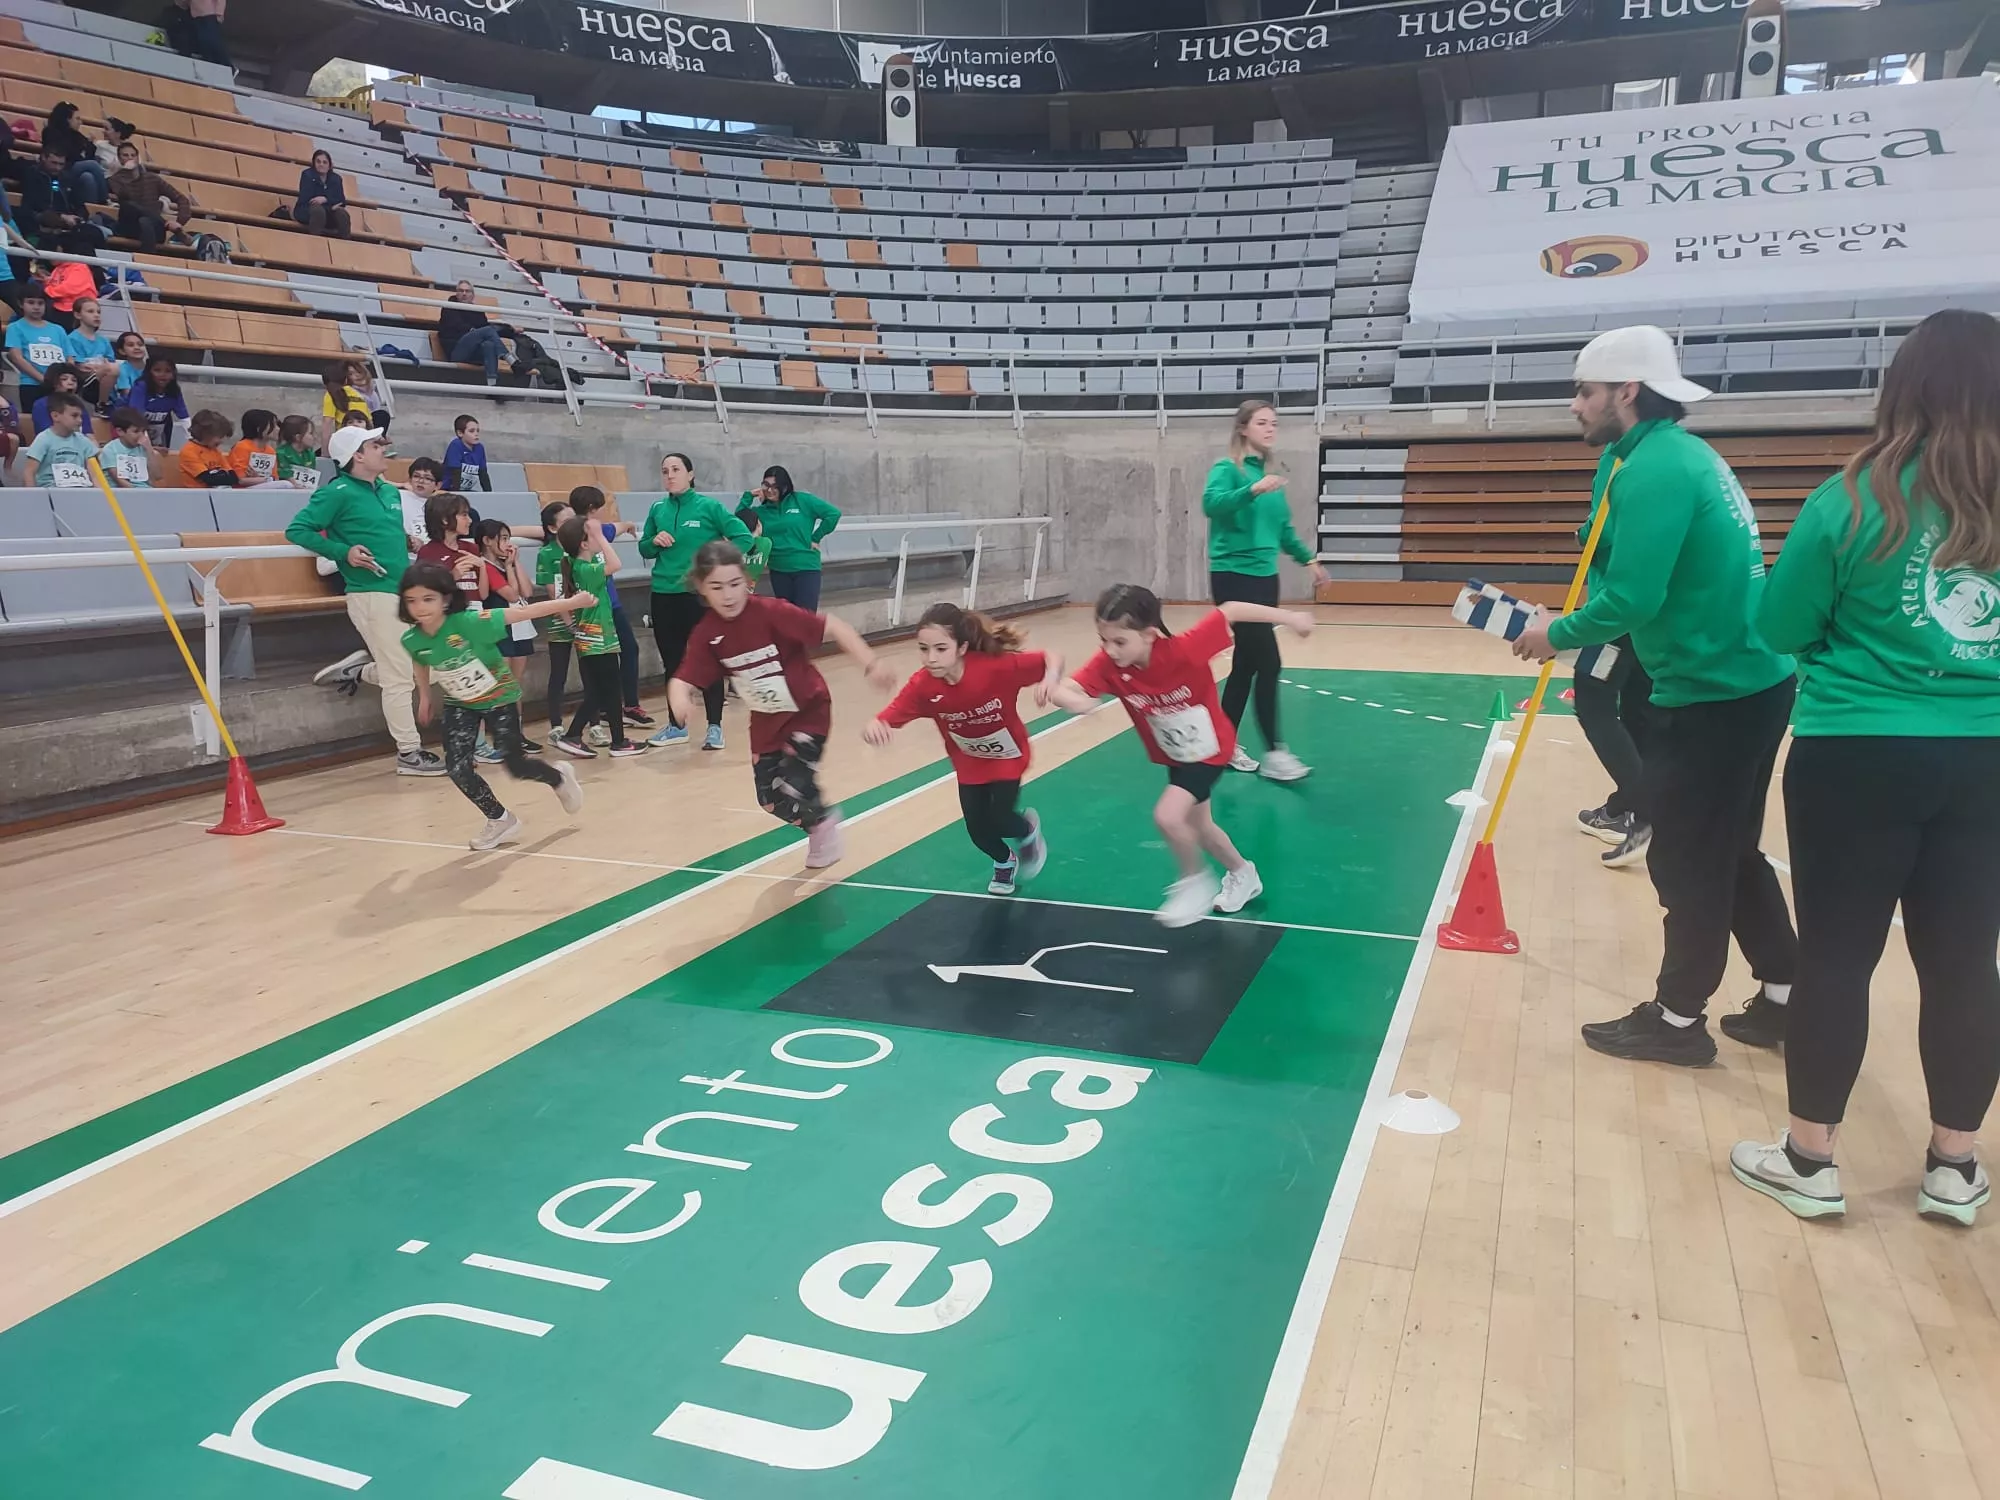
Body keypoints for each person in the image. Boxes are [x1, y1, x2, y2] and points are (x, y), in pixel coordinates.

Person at [1726, 310, 2000, 1226]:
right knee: (1966, 962)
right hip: (1986, 757)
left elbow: (1778, 627)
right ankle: (1955, 1170)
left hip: (1857, 752)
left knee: (1839, 956)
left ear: (1903, 387)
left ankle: (1811, 1161)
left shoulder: (1851, 497)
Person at [1512, 325, 1797, 1066]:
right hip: (1744, 681)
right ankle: (1786, 997)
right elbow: (1609, 546)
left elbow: (1633, 598)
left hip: (1718, 691)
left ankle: (1676, 1023)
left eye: (1585, 391)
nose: (1575, 405)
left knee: (1686, 858)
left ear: (1627, 392)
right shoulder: (1647, 455)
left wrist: (1558, 633)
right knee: (1728, 849)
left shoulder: (1657, 469)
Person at [1049, 585, 1312, 926]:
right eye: (1103, 640)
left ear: (1150, 634)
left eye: (1119, 642)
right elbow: (1067, 689)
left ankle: (1193, 883)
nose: (1109, 650)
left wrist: (1291, 617)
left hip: (1211, 748)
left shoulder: (1185, 650)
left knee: (1168, 816)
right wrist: (1068, 697)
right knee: (1200, 826)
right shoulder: (1111, 665)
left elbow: (1230, 608)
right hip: (1177, 755)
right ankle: (1243, 874)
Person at [673, 539, 896, 869]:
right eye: (716, 587)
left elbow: (833, 626)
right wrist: (680, 697)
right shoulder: (707, 634)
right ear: (701, 588)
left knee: (794, 779)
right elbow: (683, 677)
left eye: (735, 584)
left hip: (808, 711)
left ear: (747, 580)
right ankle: (818, 825)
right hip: (766, 725)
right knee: (769, 798)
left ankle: (823, 821)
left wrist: (871, 663)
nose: (728, 595)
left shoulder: (771, 612)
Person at [865, 603, 1061, 894]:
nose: (931, 658)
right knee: (978, 832)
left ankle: (1027, 831)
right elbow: (891, 714)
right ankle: (1005, 861)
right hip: (969, 763)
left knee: (1000, 818)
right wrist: (877, 725)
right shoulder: (923, 686)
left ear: (962, 647)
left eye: (941, 649)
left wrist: (1050, 679)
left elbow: (1050, 658)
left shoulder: (995, 667)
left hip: (1007, 756)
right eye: (923, 649)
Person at [288, 426, 445, 777]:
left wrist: (406, 541)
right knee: (401, 677)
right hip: (370, 593)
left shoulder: (388, 491)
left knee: (428, 667)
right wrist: (344, 552)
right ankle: (409, 752)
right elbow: (298, 530)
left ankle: (358, 671)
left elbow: (381, 530)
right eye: (375, 445)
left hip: (403, 589)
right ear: (357, 456)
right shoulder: (337, 492)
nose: (383, 449)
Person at [401, 559, 585, 849]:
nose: (419, 607)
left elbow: (525, 612)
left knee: (515, 766)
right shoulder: (412, 638)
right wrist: (424, 695)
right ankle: (500, 819)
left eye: (428, 599)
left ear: (445, 599)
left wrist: (571, 601)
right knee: (457, 768)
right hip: (459, 704)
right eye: (411, 601)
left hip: (499, 699)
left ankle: (558, 777)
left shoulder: (469, 623)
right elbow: (420, 660)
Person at [1202, 400, 1325, 782]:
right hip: (1233, 576)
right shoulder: (1228, 470)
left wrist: (1309, 560)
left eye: (1274, 423)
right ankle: (1275, 752)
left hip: (1264, 578)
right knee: (1269, 662)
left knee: (1246, 665)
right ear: (1244, 428)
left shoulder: (1271, 477)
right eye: (1262, 422)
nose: (1271, 429)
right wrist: (1251, 490)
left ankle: (1219, 746)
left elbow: (1282, 528)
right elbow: (1212, 504)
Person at [640, 451, 753, 750]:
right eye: (664, 470)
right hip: (663, 593)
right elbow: (644, 548)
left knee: (707, 660)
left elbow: (743, 537)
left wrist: (716, 570)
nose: (669, 475)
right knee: (673, 662)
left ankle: (715, 726)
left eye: (676, 469)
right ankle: (676, 726)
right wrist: (653, 541)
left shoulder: (709, 506)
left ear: (690, 474)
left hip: (697, 597)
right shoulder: (657, 509)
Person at [548, 516, 644, 760]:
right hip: (597, 640)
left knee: (609, 691)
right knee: (602, 692)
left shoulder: (576, 564)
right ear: (583, 543)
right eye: (591, 536)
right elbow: (616, 563)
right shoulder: (587, 570)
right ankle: (573, 734)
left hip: (599, 639)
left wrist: (596, 533)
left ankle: (619, 740)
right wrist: (601, 535)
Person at [568, 485, 651, 730]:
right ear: (593, 509)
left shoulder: (599, 529)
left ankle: (625, 708)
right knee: (604, 670)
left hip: (609, 606)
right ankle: (598, 718)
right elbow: (614, 562)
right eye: (602, 507)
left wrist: (626, 525)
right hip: (593, 611)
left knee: (628, 650)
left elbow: (616, 527)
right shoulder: (578, 536)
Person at [735, 466, 840, 611]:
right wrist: (748, 496)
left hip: (806, 568)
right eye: (766, 485)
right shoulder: (761, 512)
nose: (770, 490)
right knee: (787, 618)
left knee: (806, 618)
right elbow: (740, 522)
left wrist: (816, 537)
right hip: (779, 570)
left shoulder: (802, 500)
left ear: (784, 486)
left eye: (775, 486)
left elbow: (833, 514)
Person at [19, 144, 108, 256]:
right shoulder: (32, 175)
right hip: (41, 222)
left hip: (68, 225)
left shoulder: (66, 178)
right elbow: (35, 206)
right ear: (43, 158)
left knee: (94, 233)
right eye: (54, 163)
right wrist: (61, 216)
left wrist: (79, 217)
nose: (57, 168)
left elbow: (79, 204)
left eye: (61, 164)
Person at [107, 139, 193, 253]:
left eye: (133, 155)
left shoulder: (152, 179)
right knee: (128, 205)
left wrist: (179, 222)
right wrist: (126, 173)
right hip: (129, 225)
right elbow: (123, 195)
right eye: (125, 155)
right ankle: (168, 226)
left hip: (154, 227)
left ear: (138, 158)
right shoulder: (115, 179)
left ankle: (148, 262)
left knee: (145, 221)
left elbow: (181, 199)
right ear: (119, 158)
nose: (129, 158)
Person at [437, 280, 516, 387]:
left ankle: (492, 387)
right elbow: (459, 326)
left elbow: (488, 329)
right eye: (461, 291)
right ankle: (510, 359)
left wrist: (512, 330)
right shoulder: (449, 307)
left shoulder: (477, 311)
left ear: (473, 295)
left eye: (467, 291)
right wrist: (476, 333)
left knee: (489, 345)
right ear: (456, 293)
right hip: (457, 351)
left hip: (475, 353)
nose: (464, 294)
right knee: (487, 330)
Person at [5, 286, 70, 408]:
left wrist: (62, 381)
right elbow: (16, 357)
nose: (36, 307)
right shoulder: (15, 328)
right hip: (31, 384)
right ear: (20, 304)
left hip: (59, 386)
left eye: (40, 303)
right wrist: (44, 380)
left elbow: (69, 357)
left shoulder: (58, 329)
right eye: (31, 302)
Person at [20, 390, 97, 487]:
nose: (80, 420)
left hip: (81, 492)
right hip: (50, 493)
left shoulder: (84, 441)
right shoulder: (43, 439)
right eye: (74, 416)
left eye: (80, 416)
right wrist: (33, 499)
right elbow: (29, 473)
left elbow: (95, 475)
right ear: (55, 416)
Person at [39, 103, 106, 205]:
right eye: (77, 118)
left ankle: (92, 212)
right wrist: (83, 149)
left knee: (88, 177)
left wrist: (89, 145)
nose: (80, 122)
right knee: (92, 165)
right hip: (61, 169)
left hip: (75, 171)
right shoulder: (51, 132)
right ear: (67, 119)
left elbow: (88, 153)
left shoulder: (77, 135)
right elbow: (66, 153)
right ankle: (105, 201)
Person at [63, 297, 117, 406]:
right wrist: (101, 367)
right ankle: (102, 404)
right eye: (90, 311)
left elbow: (110, 361)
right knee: (111, 369)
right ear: (78, 315)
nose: (96, 315)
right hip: (85, 382)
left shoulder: (104, 340)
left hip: (101, 379)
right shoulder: (72, 338)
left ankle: (105, 401)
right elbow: (80, 366)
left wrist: (101, 367)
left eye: (98, 312)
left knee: (114, 369)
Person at [320, 359, 386, 447]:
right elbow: (370, 423)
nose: (356, 376)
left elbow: (327, 424)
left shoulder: (331, 394)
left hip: (345, 441)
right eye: (351, 374)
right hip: (363, 440)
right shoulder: (358, 395)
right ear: (346, 379)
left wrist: (325, 453)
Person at [134, 354, 188, 451]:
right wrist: (147, 445)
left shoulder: (174, 391)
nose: (163, 375)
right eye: (157, 370)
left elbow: (184, 418)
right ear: (149, 372)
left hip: (159, 433)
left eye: (168, 371)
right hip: (134, 430)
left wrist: (194, 440)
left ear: (173, 374)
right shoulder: (141, 387)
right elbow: (136, 417)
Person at [295, 149, 350, 238]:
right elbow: (309, 200)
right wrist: (330, 204)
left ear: (329, 165)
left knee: (342, 214)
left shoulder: (336, 179)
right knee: (318, 211)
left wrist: (325, 199)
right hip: (306, 210)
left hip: (328, 212)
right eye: (318, 162)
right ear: (314, 163)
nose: (321, 164)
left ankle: (345, 245)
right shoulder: (307, 175)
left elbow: (342, 201)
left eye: (325, 162)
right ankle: (315, 242)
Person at [178, 409, 239, 487]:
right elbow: (209, 479)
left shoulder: (214, 450)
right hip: (197, 495)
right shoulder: (189, 451)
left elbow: (233, 477)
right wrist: (222, 475)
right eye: (219, 436)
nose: (222, 441)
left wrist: (220, 476)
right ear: (205, 433)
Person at [98, 406, 154, 488]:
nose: (141, 435)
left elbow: (157, 476)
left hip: (144, 491)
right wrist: (138, 495)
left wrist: (149, 450)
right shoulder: (110, 450)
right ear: (120, 431)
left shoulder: (143, 448)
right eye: (136, 431)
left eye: (143, 431)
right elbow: (119, 480)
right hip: (121, 493)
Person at [29, 363, 82, 435]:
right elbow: (44, 432)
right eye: (64, 379)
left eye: (74, 380)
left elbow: (88, 433)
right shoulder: (41, 404)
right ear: (54, 382)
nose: (70, 383)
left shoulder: (79, 404)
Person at [442, 414, 490, 492]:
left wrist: (489, 495)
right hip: (449, 489)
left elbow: (483, 474)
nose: (476, 434)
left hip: (466, 490)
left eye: (477, 431)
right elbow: (455, 473)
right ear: (460, 433)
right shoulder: (456, 445)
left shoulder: (480, 448)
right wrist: (456, 495)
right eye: (471, 431)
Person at [275, 414, 318, 487]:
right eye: (310, 433)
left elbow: (311, 478)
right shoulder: (281, 453)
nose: (315, 436)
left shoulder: (310, 454)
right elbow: (287, 476)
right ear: (298, 437)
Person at [107, 331, 148, 406]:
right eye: (131, 345)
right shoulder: (122, 369)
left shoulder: (151, 368)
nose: (137, 347)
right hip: (130, 406)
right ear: (122, 351)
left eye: (140, 344)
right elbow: (127, 394)